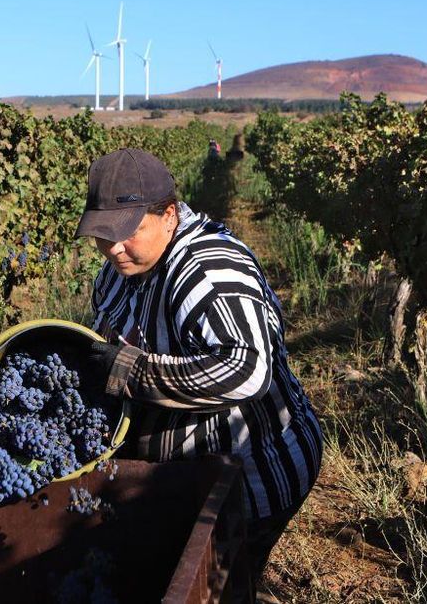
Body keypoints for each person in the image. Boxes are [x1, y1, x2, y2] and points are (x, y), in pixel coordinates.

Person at [75, 147, 322, 603]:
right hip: (177, 477)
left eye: (126, 233)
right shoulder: (114, 273)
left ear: (168, 215)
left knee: (218, 586)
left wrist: (134, 371)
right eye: (101, 236)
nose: (112, 248)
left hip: (253, 474)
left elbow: (248, 370)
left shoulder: (208, 272)